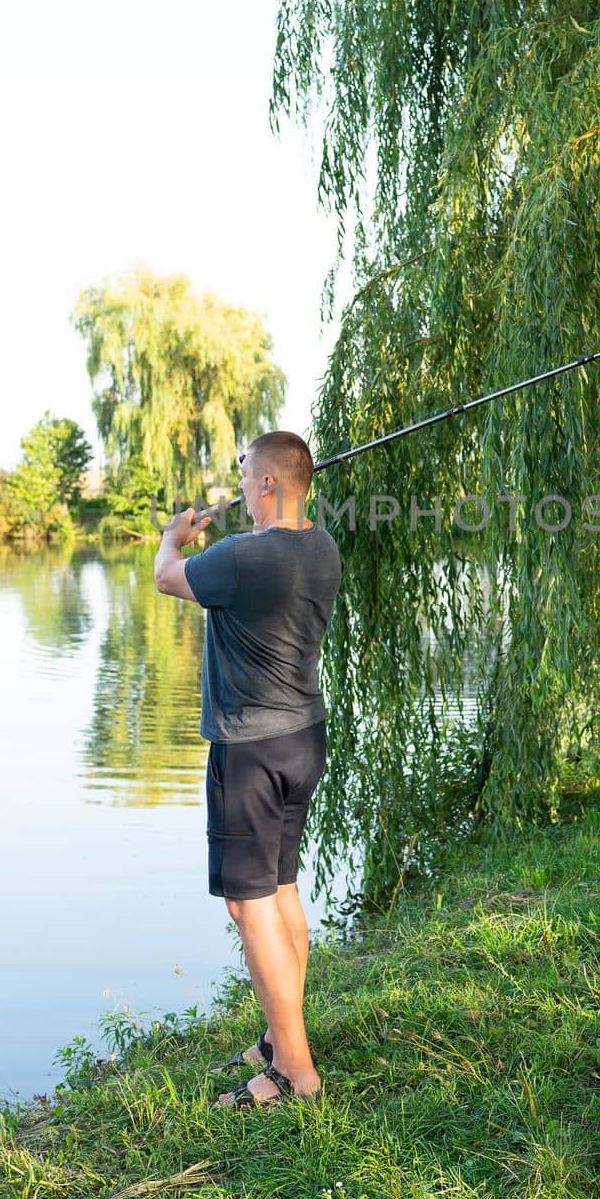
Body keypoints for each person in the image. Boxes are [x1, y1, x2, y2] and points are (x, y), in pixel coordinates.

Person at [154, 431, 341, 1106]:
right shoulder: (320, 545)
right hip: (302, 738)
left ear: (267, 483)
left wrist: (175, 535)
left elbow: (166, 578)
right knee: (280, 888)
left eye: (243, 474)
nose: (236, 484)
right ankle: (276, 1037)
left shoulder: (240, 556)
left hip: (251, 747)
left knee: (249, 903)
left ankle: (293, 1071)